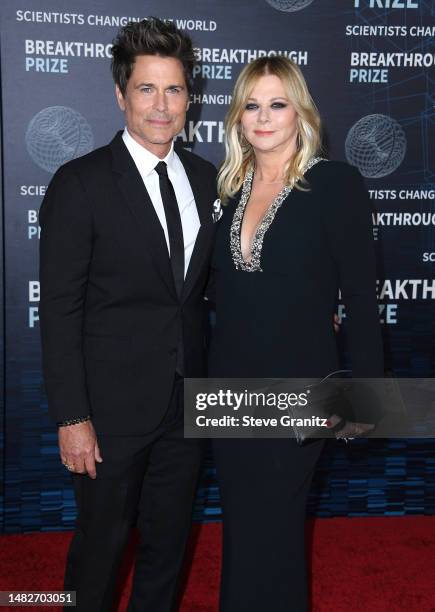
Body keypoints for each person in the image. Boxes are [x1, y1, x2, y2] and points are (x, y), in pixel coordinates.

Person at [39, 18, 217, 612]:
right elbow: (60, 310)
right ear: (121, 95)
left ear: (190, 97)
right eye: (147, 89)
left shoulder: (206, 178)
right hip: (109, 413)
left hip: (187, 401)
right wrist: (72, 416)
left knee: (168, 546)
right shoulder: (80, 183)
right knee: (100, 549)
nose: (162, 105)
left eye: (174, 90)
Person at [208, 56, 384, 611]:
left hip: (301, 383)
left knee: (277, 526)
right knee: (240, 525)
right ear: (238, 118)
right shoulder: (227, 190)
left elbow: (359, 297)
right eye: (252, 105)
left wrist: (367, 392)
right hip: (228, 383)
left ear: (300, 112)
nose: (264, 117)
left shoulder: (335, 184)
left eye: (277, 104)